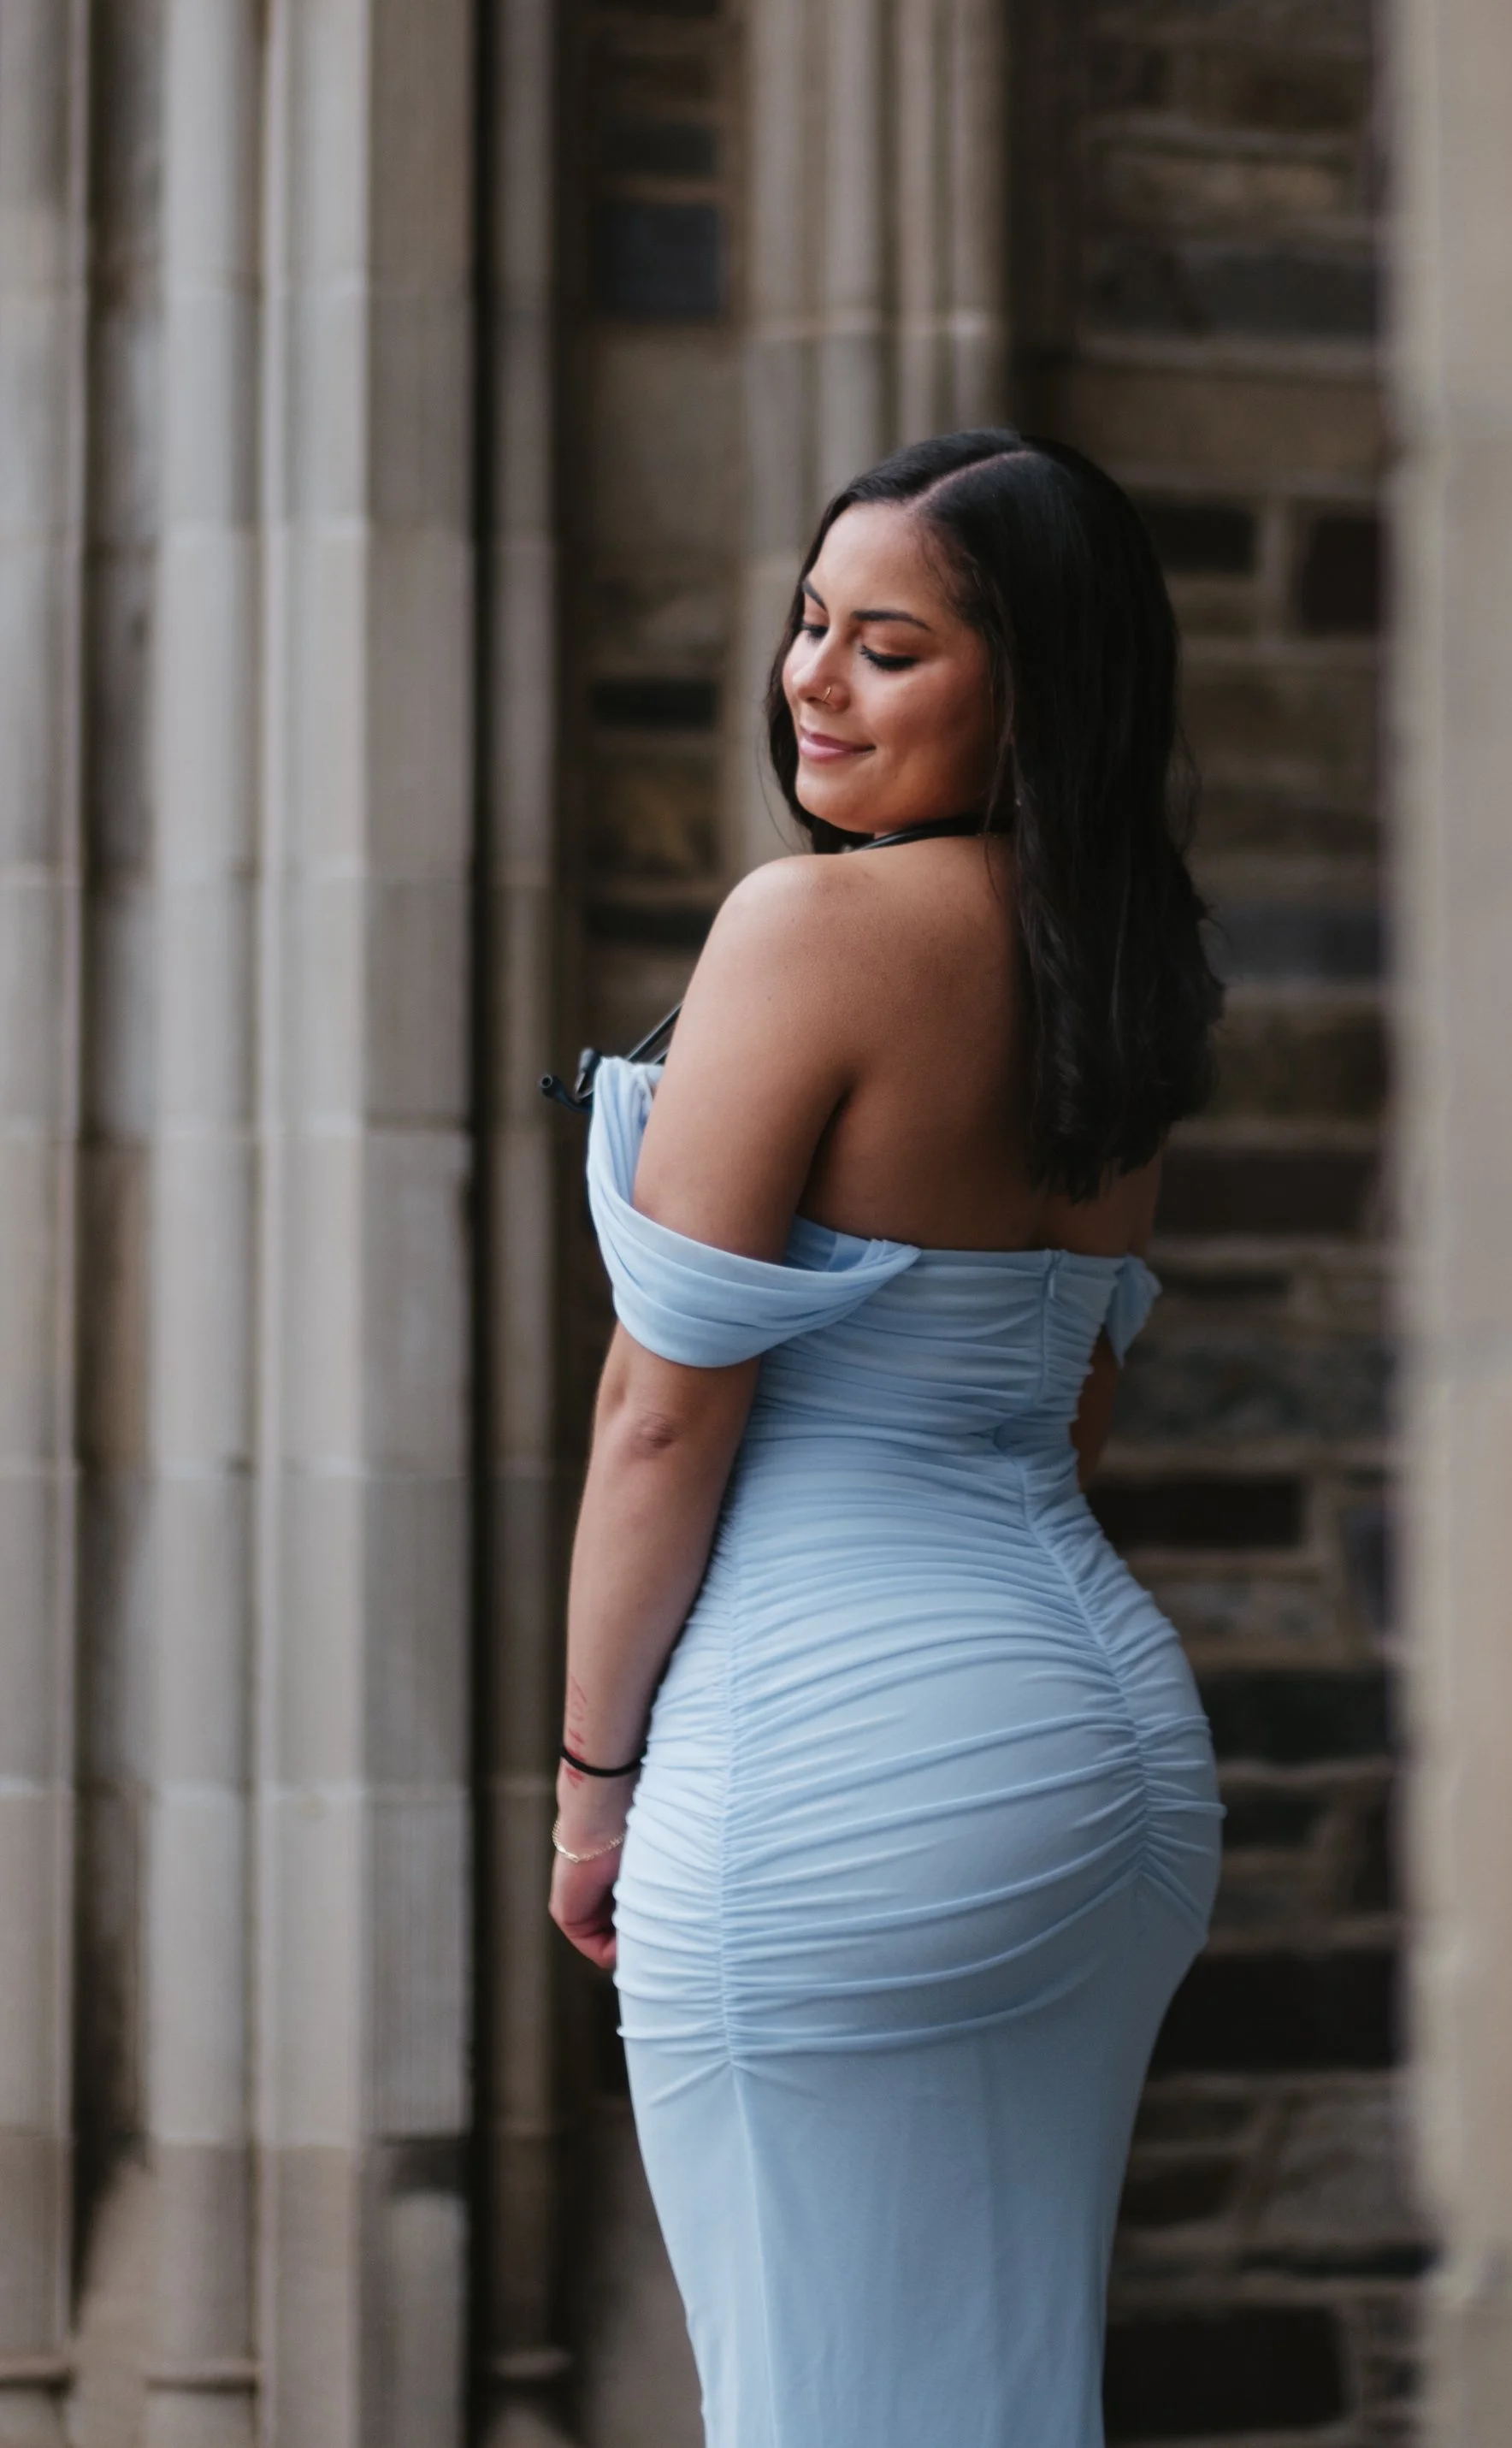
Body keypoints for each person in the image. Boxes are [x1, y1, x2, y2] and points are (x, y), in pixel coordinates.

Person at [548, 429, 1226, 2448]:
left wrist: (591, 1794)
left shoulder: (808, 932)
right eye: (809, 625)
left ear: (1034, 685)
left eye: (891, 648)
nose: (812, 681)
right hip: (1102, 1760)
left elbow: (657, 1418)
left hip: (827, 1762)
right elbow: (1073, 1400)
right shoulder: (1123, 963)